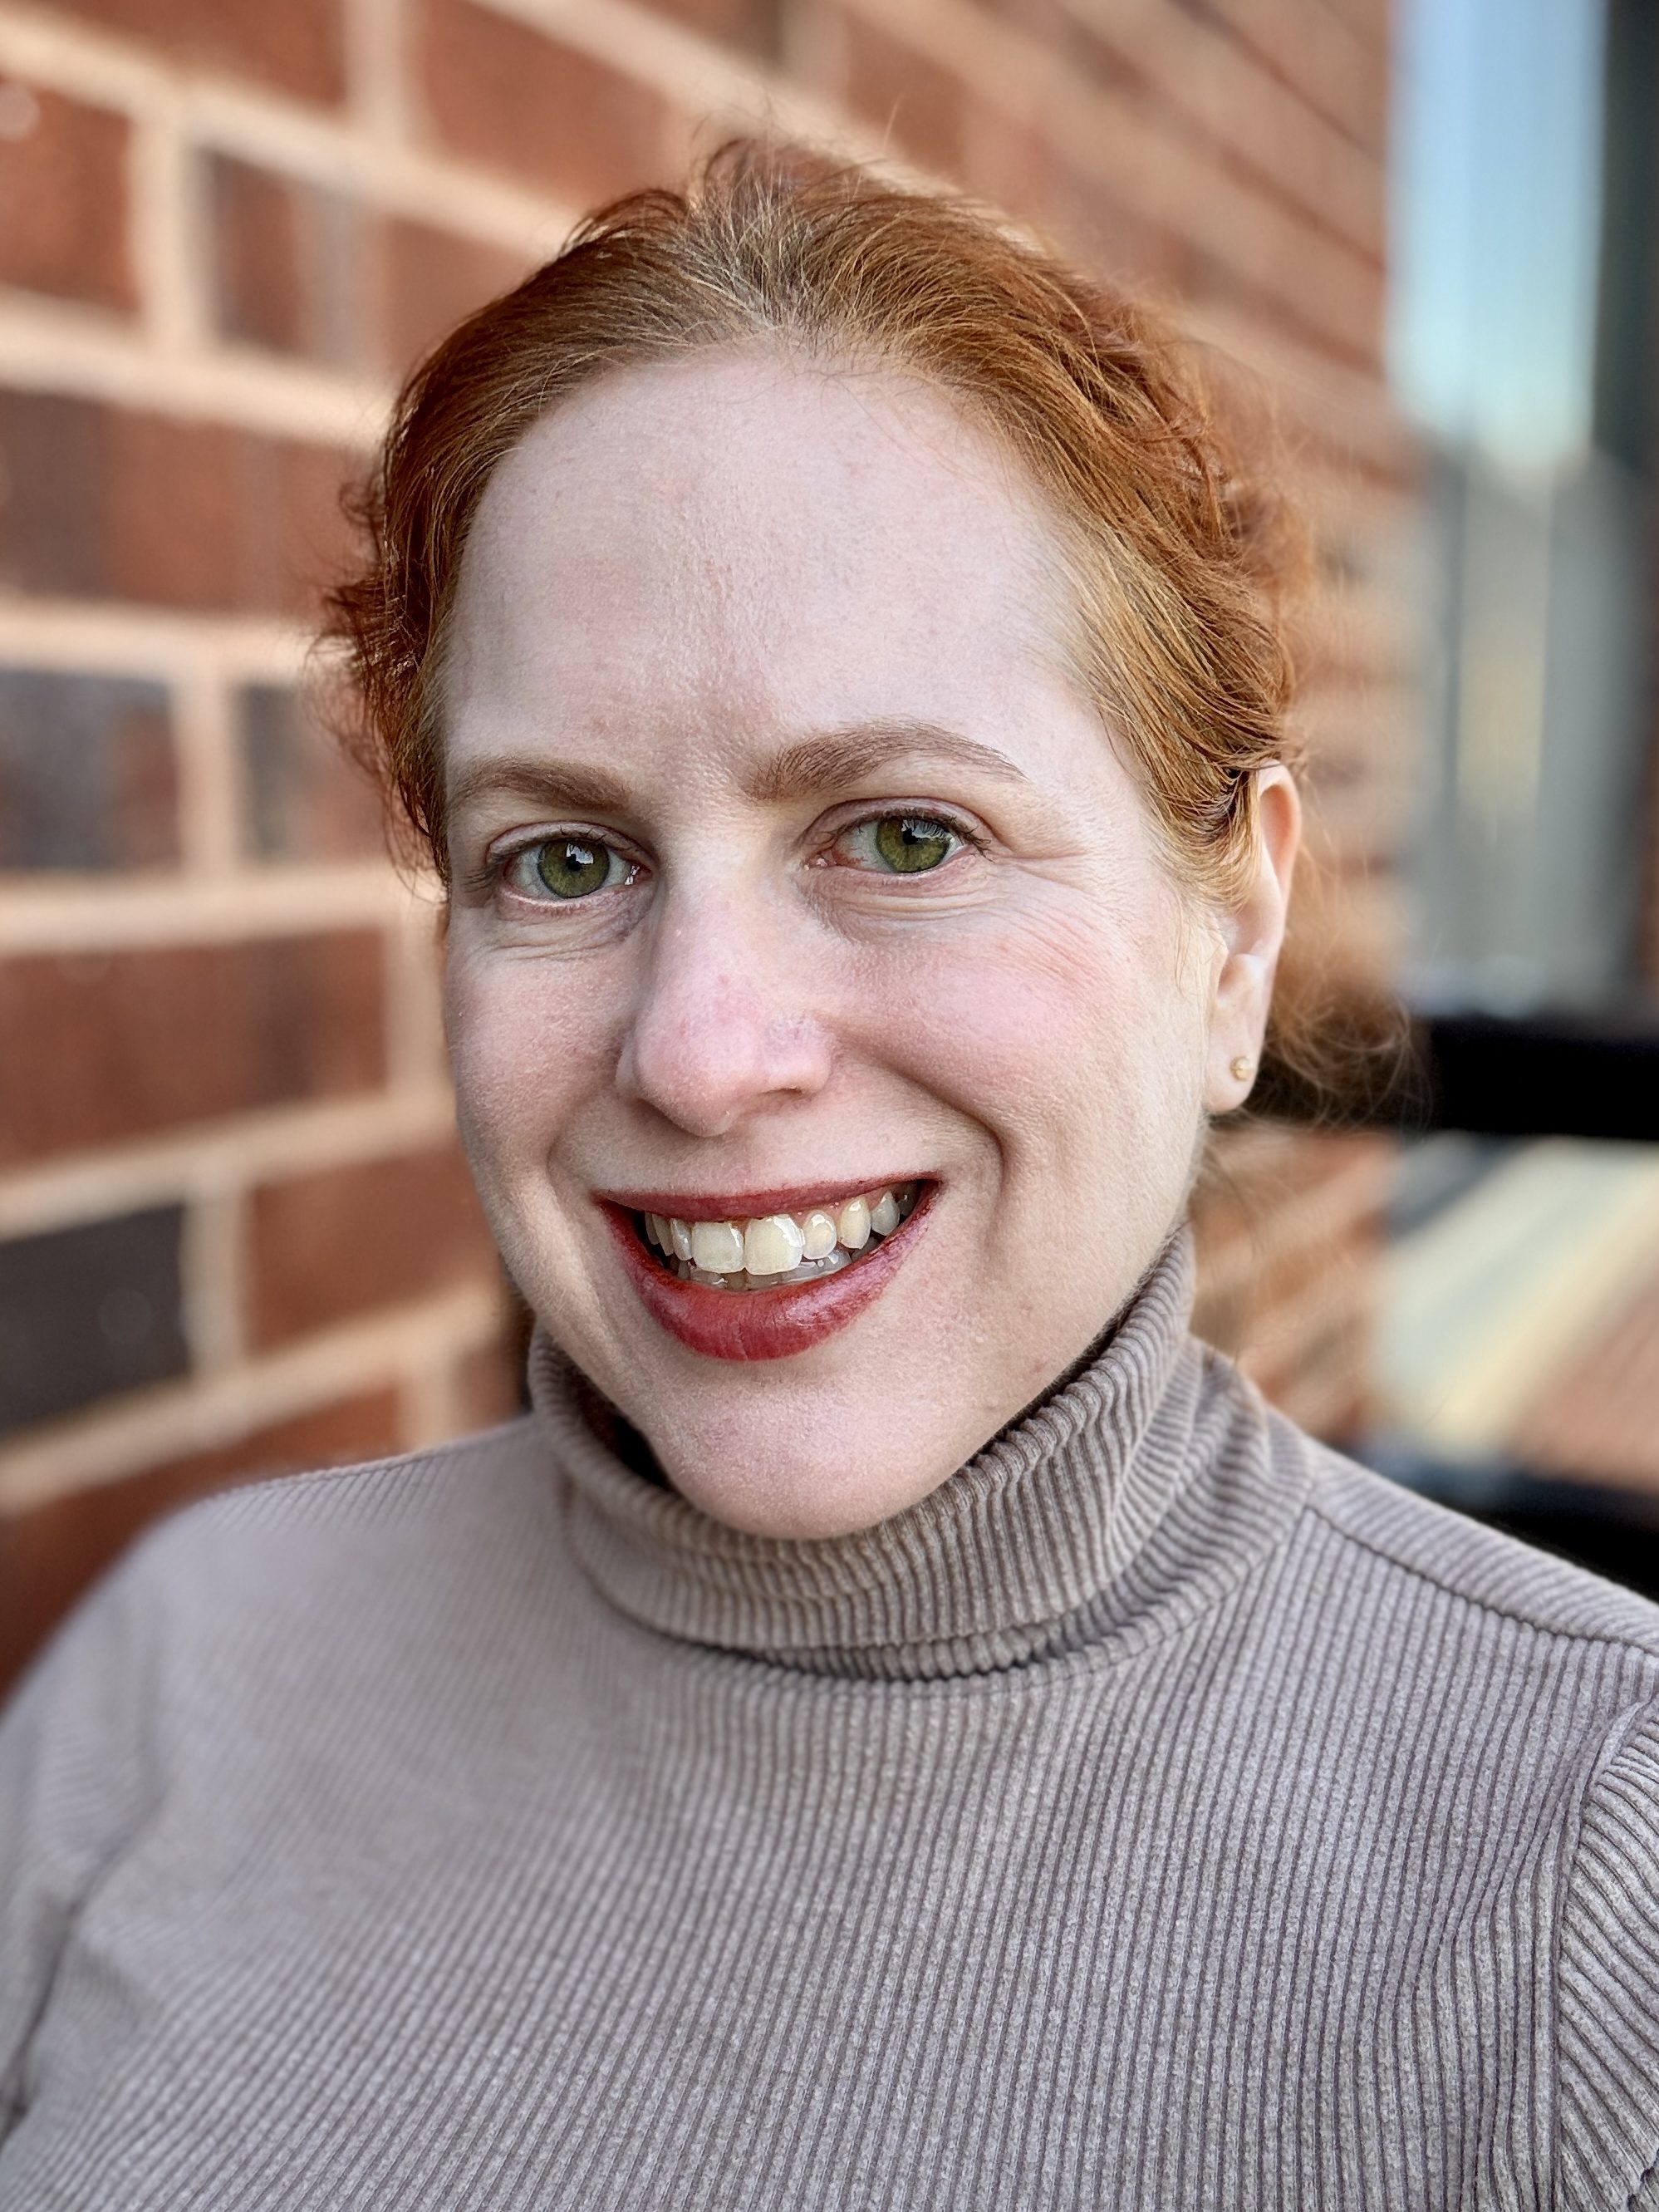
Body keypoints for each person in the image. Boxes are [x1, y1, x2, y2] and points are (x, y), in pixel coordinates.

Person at [2, 145, 1657, 2212]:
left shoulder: (1593, 1867)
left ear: (1229, 934)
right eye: (567, 857)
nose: (695, 1053)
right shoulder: (188, 1671)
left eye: (901, 833)